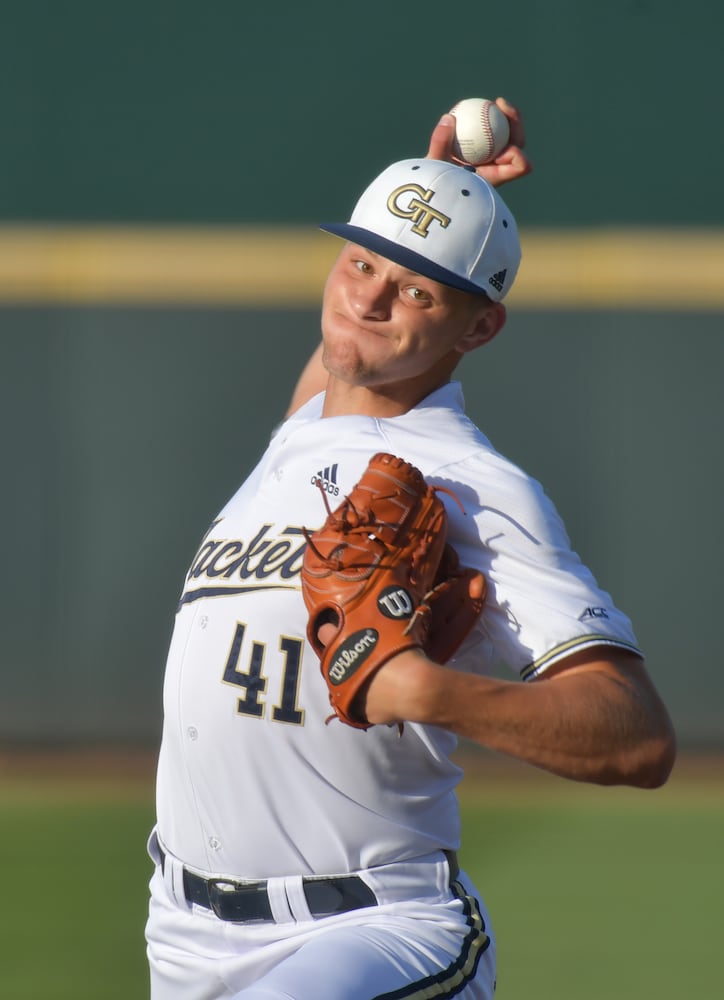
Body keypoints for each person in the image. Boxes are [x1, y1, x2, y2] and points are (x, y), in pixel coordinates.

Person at [144, 99, 676, 1000]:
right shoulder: (303, 436)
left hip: (369, 929)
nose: (369, 297)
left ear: (478, 329)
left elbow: (637, 736)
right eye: (360, 261)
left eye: (417, 290)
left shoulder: (474, 486)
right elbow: (343, 365)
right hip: (181, 937)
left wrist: (427, 691)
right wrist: (440, 195)